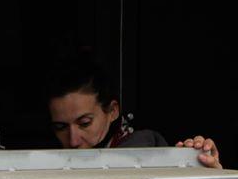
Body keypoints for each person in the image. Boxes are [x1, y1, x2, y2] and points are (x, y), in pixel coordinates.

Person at [44, 52, 223, 168]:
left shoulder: (148, 151)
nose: (73, 140)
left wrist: (208, 176)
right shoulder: (45, 162)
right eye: (60, 127)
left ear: (113, 111)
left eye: (85, 123)